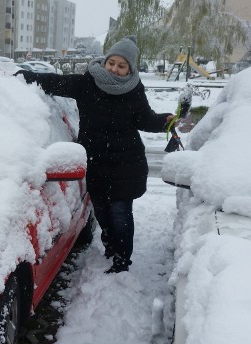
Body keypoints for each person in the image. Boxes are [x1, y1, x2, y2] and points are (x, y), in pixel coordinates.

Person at [15, 36, 175, 273]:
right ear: (106, 60)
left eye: (122, 66)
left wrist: (164, 121)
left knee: (120, 213)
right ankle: (110, 246)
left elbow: (144, 118)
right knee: (101, 211)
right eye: (112, 63)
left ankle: (122, 259)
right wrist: (23, 77)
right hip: (95, 161)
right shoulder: (87, 83)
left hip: (125, 163)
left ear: (130, 68)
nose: (115, 69)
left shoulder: (133, 90)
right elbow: (54, 82)